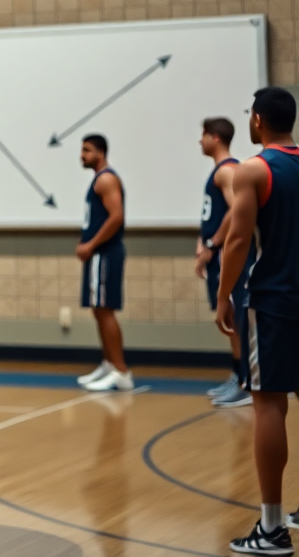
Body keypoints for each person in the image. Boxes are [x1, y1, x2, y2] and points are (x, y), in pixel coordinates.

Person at [219, 87, 299, 555]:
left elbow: (237, 240)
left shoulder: (254, 169)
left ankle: (271, 529)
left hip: (272, 300)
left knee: (269, 405)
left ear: (257, 121)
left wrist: (225, 294)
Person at [194, 117, 249, 408]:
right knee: (227, 318)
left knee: (235, 317)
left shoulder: (227, 171)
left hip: (228, 255)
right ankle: (237, 376)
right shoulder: (220, 171)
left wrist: (213, 244)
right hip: (216, 254)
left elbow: (235, 210)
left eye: (202, 135)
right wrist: (201, 242)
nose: (199, 141)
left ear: (215, 137)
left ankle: (246, 382)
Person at [74, 134, 133, 391]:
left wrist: (91, 244)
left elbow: (116, 217)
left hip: (105, 254)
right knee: (98, 309)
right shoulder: (98, 180)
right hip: (99, 255)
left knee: (105, 309)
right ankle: (109, 364)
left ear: (100, 152)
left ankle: (121, 371)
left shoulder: (106, 179)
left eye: (87, 150)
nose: (82, 155)